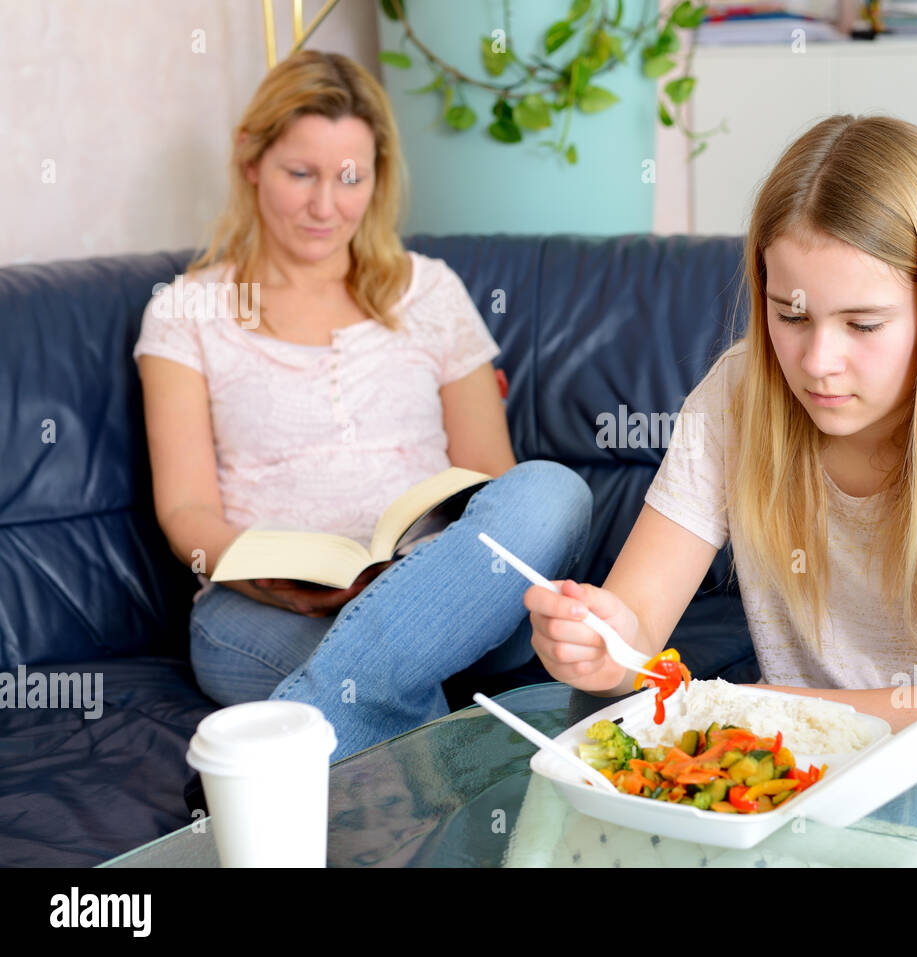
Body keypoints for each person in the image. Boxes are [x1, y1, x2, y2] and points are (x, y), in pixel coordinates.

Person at [525, 115, 917, 770]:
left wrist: (746, 707)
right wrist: (602, 649)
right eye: (792, 315)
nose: (817, 363)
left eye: (862, 325)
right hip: (802, 759)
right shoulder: (737, 395)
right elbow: (636, 629)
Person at [134, 51, 591, 761]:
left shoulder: (431, 291)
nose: (326, 206)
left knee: (552, 490)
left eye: (350, 177)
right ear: (251, 160)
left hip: (452, 588)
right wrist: (276, 581)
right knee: (373, 673)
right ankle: (407, 709)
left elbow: (491, 479)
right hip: (264, 608)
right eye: (301, 174)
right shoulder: (186, 311)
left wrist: (425, 573)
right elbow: (186, 512)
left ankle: (282, 753)